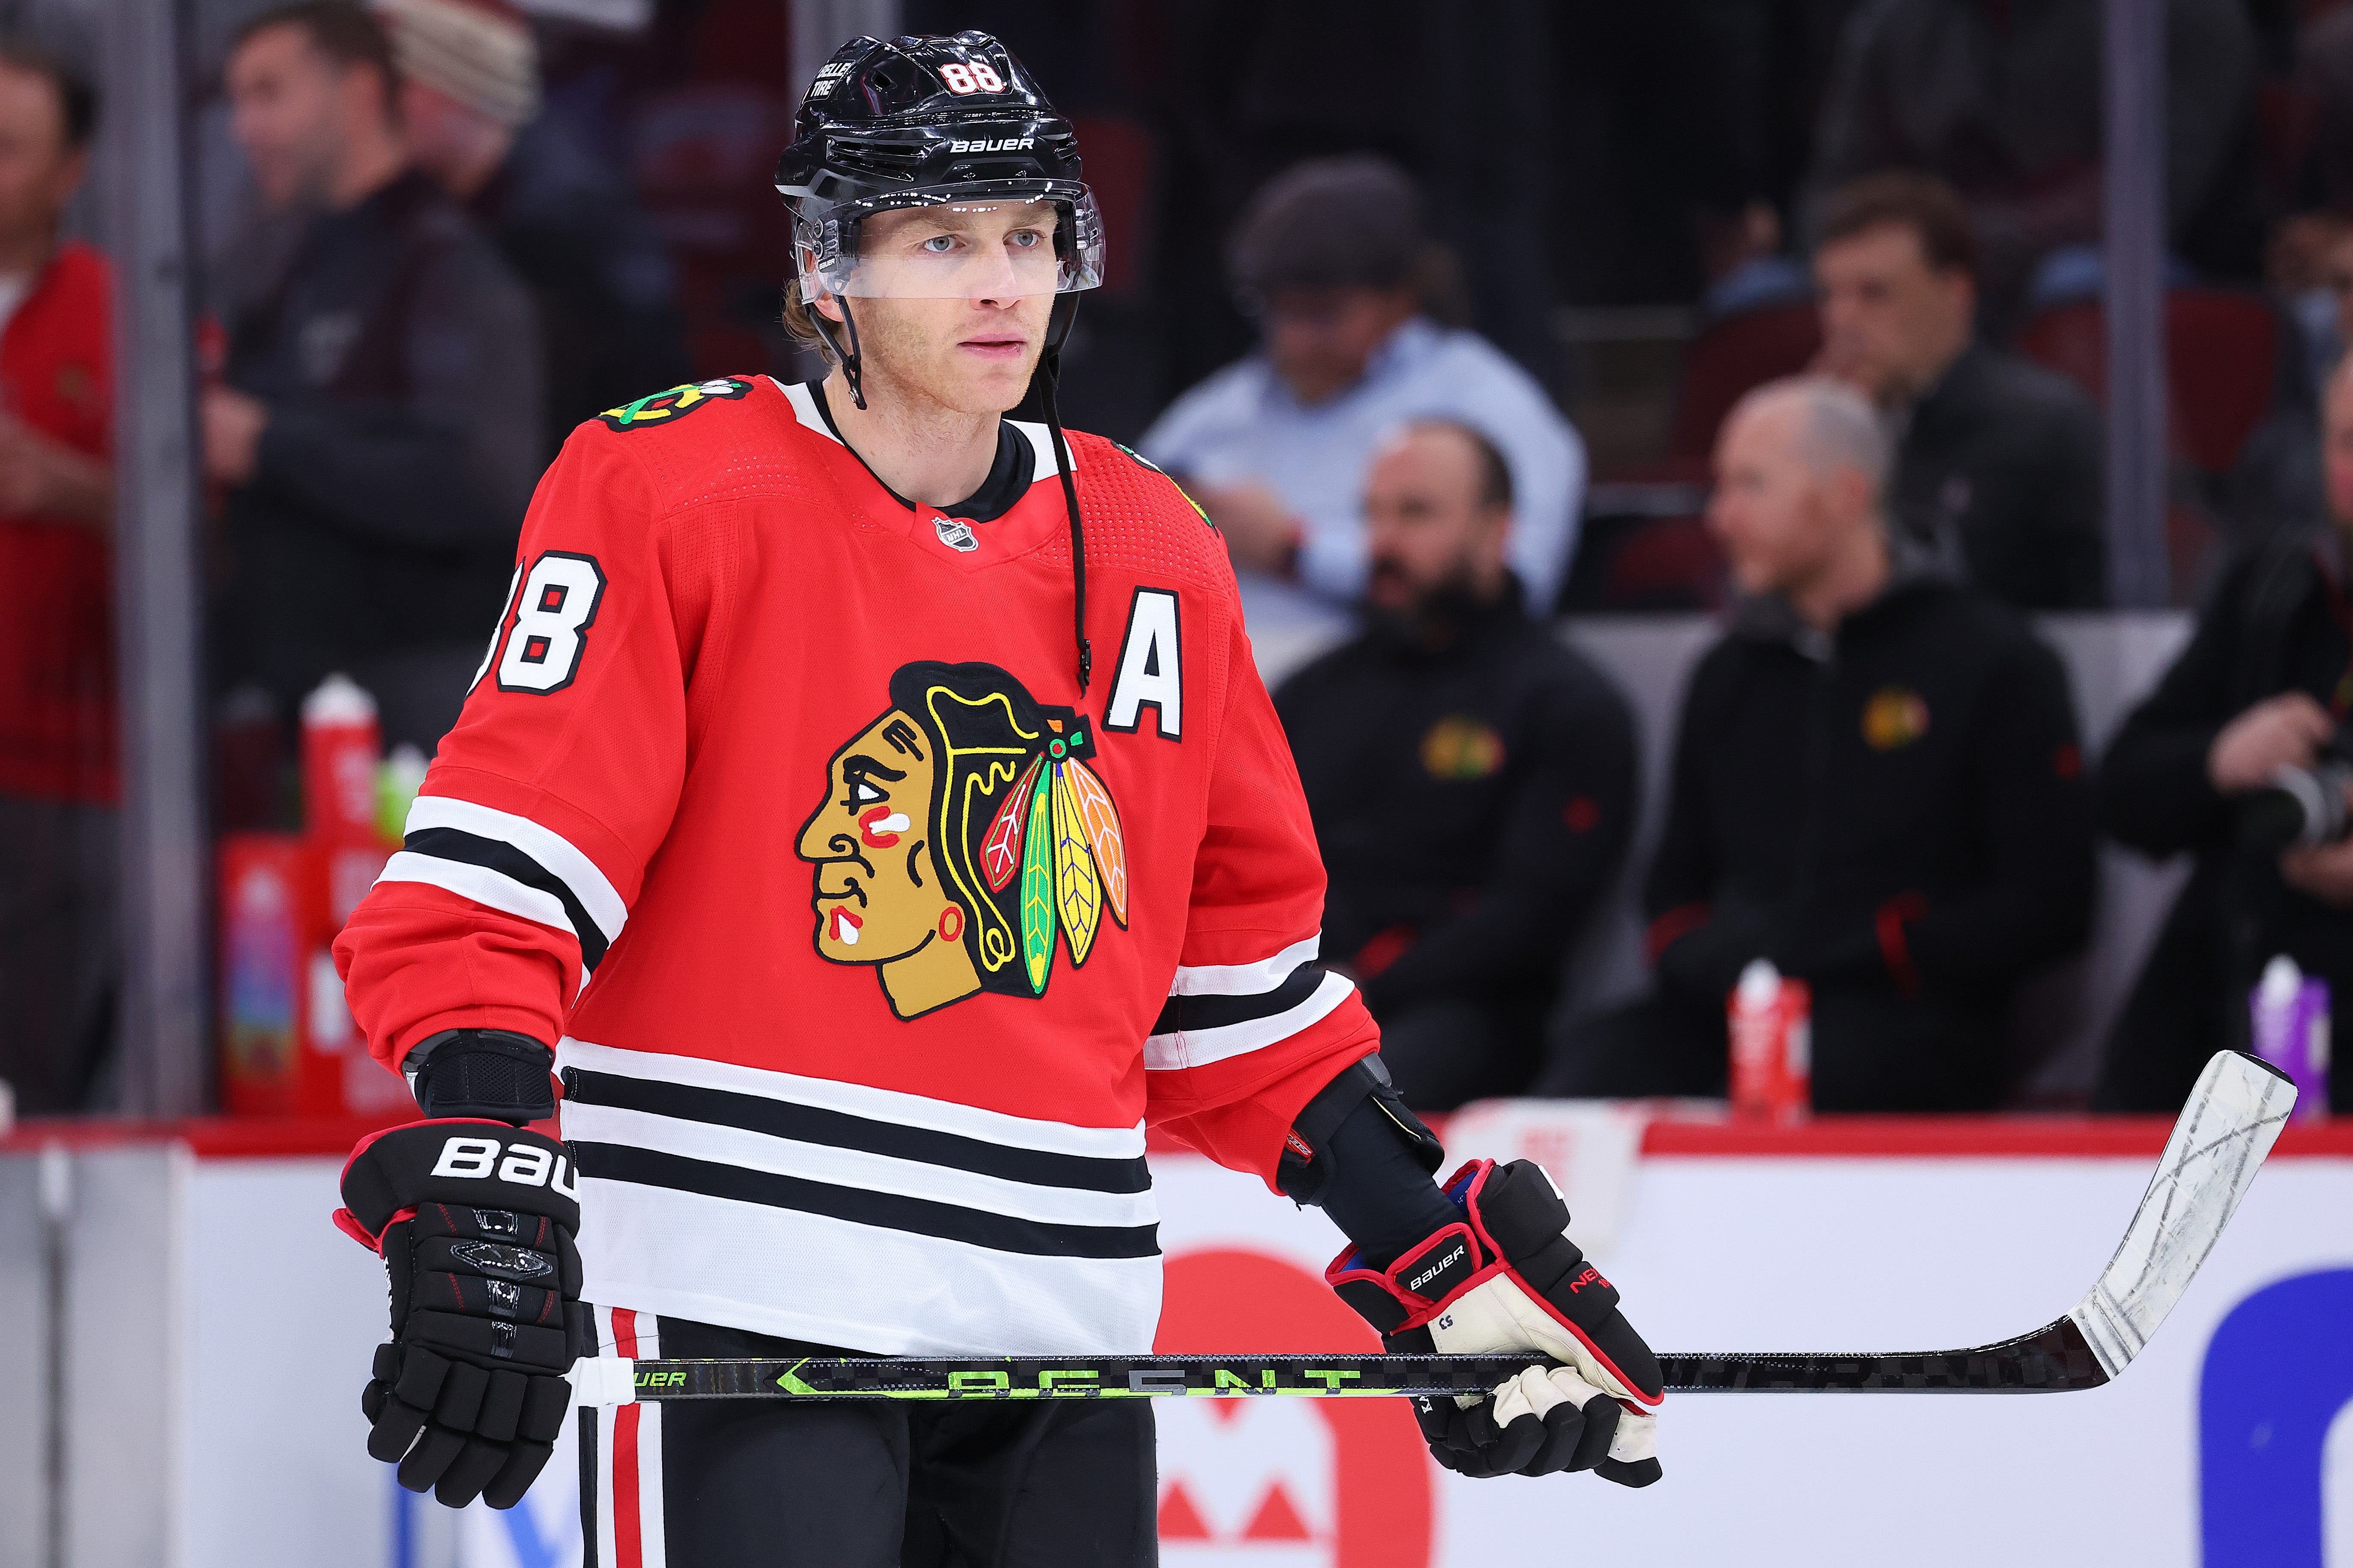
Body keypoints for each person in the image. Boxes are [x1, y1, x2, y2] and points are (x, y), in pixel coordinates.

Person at [326, 31, 1666, 1557]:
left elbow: (1230, 992)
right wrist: (492, 1154)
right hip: (745, 1287)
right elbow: (501, 877)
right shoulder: (665, 488)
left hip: (1061, 1316)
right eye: (942, 238)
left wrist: (1428, 1234)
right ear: (827, 266)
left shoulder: (1154, 542)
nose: (999, 282)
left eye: (1028, 236)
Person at [1539, 376, 2095, 1112]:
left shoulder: (1993, 661)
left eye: (1749, 485)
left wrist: (1878, 949)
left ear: (1844, 495)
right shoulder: (1727, 671)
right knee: (1574, 1090)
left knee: (1807, 1089)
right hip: (1731, 1001)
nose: (1718, 518)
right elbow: (1672, 887)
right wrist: (1721, 962)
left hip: (1908, 1019)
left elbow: (2049, 903)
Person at [207, 0, 542, 754]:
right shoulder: (286, 258)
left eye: (268, 94)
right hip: (302, 700)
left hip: (418, 707)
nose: (243, 129)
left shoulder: (442, 264)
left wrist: (268, 443)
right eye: (236, 101)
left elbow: (483, 477)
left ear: (358, 92)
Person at [1275, 420, 1636, 1110]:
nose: (1383, 541)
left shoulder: (1562, 703)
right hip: (1288, 993)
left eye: (1416, 513)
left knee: (1354, 1099)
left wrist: (1361, 982)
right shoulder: (1312, 692)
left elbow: (1530, 913)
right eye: (1372, 514)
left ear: (1497, 529)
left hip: (1461, 1015)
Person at [1139, 155, 1585, 648]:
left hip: (1392, 686)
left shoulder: (1485, 404)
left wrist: (1296, 551)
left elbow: (1512, 584)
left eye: (1323, 316)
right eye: (1276, 312)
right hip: (1189, 685)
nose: (1293, 340)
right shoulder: (1219, 410)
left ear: (1403, 295)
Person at [2095, 354, 2353, 1117]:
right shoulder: (2275, 590)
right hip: (2230, 1039)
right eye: (2345, 441)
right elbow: (2121, 793)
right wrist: (2218, 758)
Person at [1805, 0, 2262, 318]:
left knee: (2076, 282)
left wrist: (1951, 245)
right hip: (1942, 264)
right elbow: (1835, 189)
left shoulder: (2181, 15)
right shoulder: (1896, 21)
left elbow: (2139, 204)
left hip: (2155, 273)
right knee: (1766, 292)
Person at [376, 0, 690, 453]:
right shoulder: (447, 206)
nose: (376, 111)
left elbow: (557, 414)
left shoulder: (562, 220)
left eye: (396, 88)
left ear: (451, 85)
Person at [1812, 172, 2106, 611]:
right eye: (1829, 296)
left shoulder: (2046, 429)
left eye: (1874, 293)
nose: (1843, 320)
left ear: (1955, 293)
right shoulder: (1816, 435)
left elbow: (2102, 614)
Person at [0, 40, 116, 1114]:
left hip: (57, 767)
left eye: (8, 150)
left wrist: (69, 486)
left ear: (70, 172)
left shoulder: (125, 315)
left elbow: (200, 526)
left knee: (38, 1076)